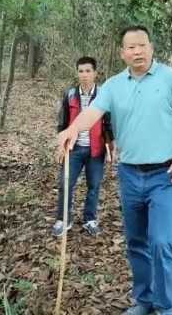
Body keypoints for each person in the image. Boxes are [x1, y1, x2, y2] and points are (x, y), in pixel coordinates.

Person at [57, 26, 172, 315]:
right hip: (130, 174)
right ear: (123, 53)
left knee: (161, 242)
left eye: (142, 45)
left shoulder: (170, 78)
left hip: (165, 175)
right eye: (131, 47)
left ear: (151, 48)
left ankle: (166, 307)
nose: (138, 51)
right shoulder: (113, 85)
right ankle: (144, 301)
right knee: (136, 242)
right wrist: (72, 129)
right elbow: (93, 113)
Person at [53, 56, 115, 237]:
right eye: (81, 71)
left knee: (94, 185)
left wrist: (110, 147)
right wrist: (61, 145)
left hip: (96, 150)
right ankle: (64, 219)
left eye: (88, 71)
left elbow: (108, 125)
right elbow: (62, 124)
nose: (84, 75)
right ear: (77, 73)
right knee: (66, 183)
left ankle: (90, 219)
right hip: (73, 148)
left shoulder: (104, 95)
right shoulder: (70, 95)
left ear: (95, 73)